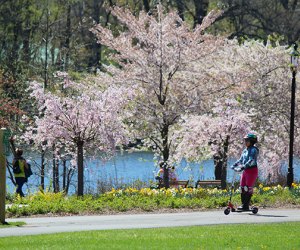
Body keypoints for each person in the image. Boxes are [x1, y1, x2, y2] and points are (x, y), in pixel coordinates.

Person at [232, 133, 259, 211]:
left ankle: (245, 205)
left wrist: (244, 166)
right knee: (242, 188)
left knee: (248, 188)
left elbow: (251, 160)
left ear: (252, 141)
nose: (245, 142)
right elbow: (241, 160)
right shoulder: (245, 150)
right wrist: (234, 165)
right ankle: (243, 205)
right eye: (245, 140)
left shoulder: (254, 150)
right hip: (245, 171)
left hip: (252, 171)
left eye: (247, 140)